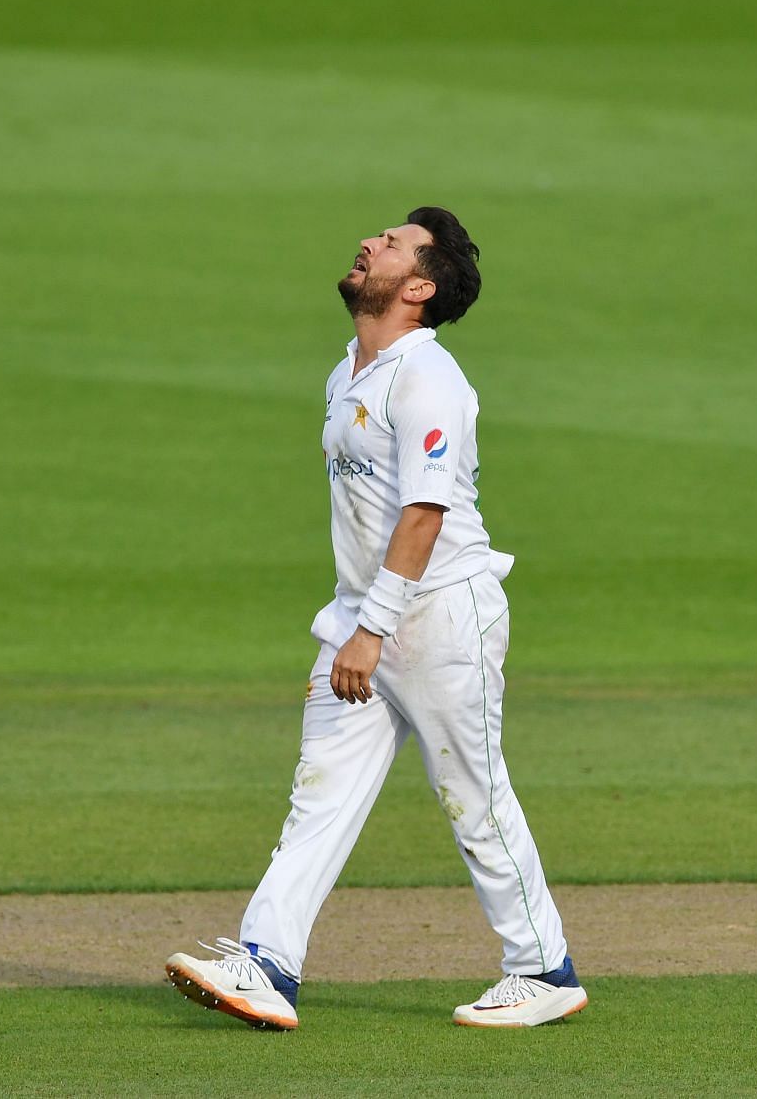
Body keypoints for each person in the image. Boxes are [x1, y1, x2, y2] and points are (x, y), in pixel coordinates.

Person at [165, 207, 585, 1030]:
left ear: (419, 287)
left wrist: (373, 627)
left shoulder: (430, 378)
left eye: (392, 244)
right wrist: (349, 626)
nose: (370, 242)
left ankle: (542, 968)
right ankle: (266, 963)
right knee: (318, 795)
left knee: (472, 792)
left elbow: (424, 513)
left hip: (438, 616)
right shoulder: (347, 371)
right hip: (363, 619)